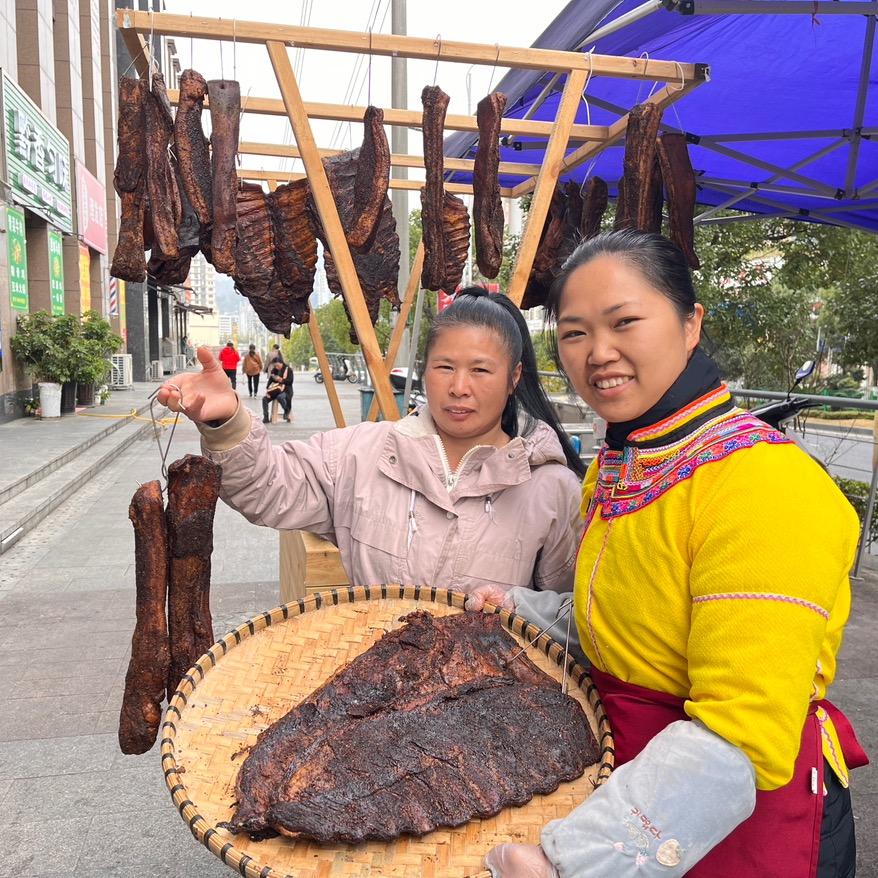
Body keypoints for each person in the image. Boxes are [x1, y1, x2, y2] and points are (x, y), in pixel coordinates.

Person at [467, 231, 865, 878]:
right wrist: (519, 608)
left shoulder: (765, 486)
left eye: (625, 321)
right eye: (573, 333)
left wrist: (569, 861)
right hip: (625, 780)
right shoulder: (623, 464)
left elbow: (740, 734)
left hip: (728, 812)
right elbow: (627, 623)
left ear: (690, 324)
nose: (599, 353)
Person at [156, 288, 586, 597]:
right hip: (374, 700)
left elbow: (566, 613)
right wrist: (229, 421)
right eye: (444, 367)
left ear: (513, 379)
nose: (458, 387)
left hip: (489, 712)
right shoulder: (361, 454)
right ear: (424, 370)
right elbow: (268, 486)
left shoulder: (550, 488)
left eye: (480, 370)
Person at [262, 357, 293, 423]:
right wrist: (268, 390)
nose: (276, 367)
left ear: (281, 363)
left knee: (280, 397)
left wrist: (281, 380)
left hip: (286, 390)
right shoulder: (275, 370)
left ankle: (287, 411)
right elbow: (270, 380)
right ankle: (266, 417)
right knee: (264, 399)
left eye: (277, 365)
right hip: (275, 390)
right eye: (275, 365)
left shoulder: (288, 370)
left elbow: (290, 382)